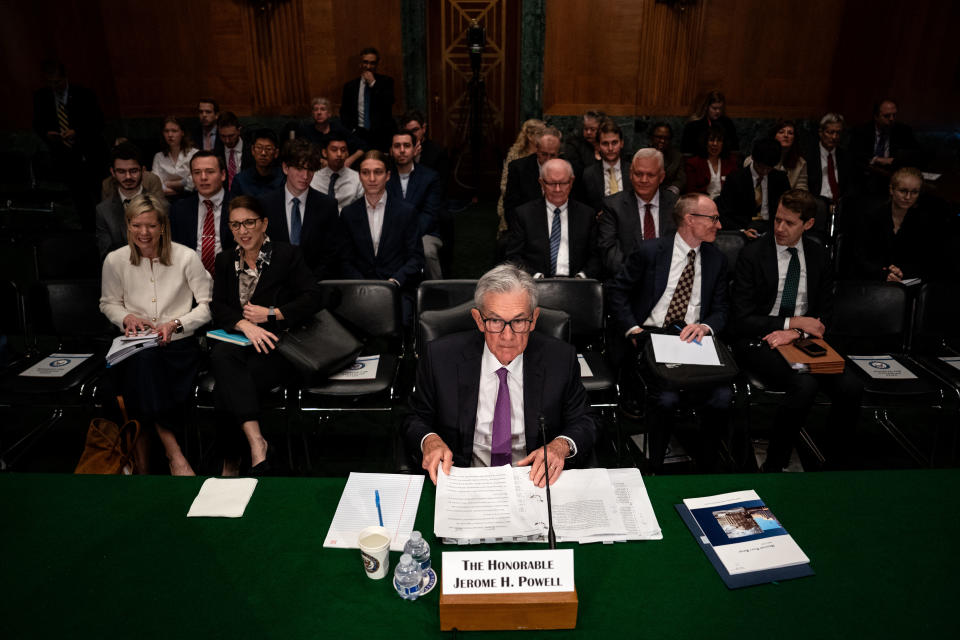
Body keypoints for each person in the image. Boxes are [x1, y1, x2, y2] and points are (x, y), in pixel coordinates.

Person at [403, 264, 597, 486]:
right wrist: (429, 440)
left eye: (519, 321)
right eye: (495, 321)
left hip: (534, 481)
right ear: (478, 320)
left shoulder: (560, 359)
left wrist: (561, 445)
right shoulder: (440, 358)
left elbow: (585, 420)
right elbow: (414, 418)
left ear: (533, 319)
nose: (508, 335)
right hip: (464, 479)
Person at [731, 189, 862, 471]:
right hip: (761, 339)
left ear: (808, 224)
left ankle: (836, 465)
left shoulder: (818, 255)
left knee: (851, 387)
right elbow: (741, 319)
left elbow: (826, 311)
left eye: (789, 223)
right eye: (777, 219)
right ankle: (775, 464)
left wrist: (797, 331)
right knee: (805, 384)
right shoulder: (752, 255)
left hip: (804, 338)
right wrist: (791, 323)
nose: (779, 228)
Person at [605, 193, 731, 471]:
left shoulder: (716, 259)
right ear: (690, 219)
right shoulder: (651, 252)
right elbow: (617, 291)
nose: (718, 225)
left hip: (695, 340)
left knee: (723, 396)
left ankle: (707, 465)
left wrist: (706, 326)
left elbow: (722, 309)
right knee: (666, 398)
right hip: (651, 337)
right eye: (713, 218)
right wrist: (633, 329)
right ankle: (656, 466)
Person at [99, 193, 213, 476]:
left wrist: (176, 323)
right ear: (128, 226)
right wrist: (125, 316)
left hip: (178, 347)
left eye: (150, 225)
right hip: (134, 345)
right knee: (140, 363)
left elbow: (208, 307)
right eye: (136, 225)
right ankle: (174, 453)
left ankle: (142, 463)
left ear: (163, 226)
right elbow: (108, 302)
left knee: (140, 372)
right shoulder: (115, 260)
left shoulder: (186, 257)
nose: (144, 233)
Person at [210, 196, 322, 476]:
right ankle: (257, 444)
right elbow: (219, 306)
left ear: (264, 223)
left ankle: (230, 463)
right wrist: (242, 323)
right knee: (224, 358)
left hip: (277, 348)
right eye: (235, 225)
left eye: (249, 222)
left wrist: (271, 314)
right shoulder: (225, 260)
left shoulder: (287, 255)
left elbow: (314, 298)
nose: (243, 231)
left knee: (226, 383)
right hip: (240, 346)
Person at [339, 150, 424, 322]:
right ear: (359, 176)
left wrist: (396, 281)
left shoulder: (406, 212)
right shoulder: (348, 214)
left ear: (387, 176)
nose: (371, 178)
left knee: (402, 320)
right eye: (365, 172)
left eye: (377, 172)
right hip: (359, 289)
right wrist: (363, 286)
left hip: (397, 288)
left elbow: (416, 258)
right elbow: (343, 260)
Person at [32, 59, 106, 227]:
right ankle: (88, 232)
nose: (54, 86)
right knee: (79, 199)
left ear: (65, 78)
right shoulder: (41, 97)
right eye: (50, 82)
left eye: (57, 82)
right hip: (65, 157)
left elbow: (98, 122)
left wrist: (77, 132)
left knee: (99, 195)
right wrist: (47, 134)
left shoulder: (84, 94)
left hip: (90, 155)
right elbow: (37, 124)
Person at [505, 158, 600, 279]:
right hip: (535, 284)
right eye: (551, 183)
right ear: (541, 183)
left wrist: (582, 277)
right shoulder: (524, 214)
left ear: (571, 182)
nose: (557, 189)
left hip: (577, 284)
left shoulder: (587, 215)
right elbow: (513, 257)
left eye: (563, 183)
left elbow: (596, 256)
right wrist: (535, 276)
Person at [853, 167, 948, 283]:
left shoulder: (924, 221)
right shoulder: (871, 216)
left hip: (908, 282)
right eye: (903, 191)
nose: (908, 197)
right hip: (873, 281)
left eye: (914, 192)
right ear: (891, 190)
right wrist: (883, 273)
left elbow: (929, 261)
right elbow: (859, 258)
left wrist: (901, 272)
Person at [262, 139, 340, 278]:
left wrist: (309, 282)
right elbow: (261, 249)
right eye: (299, 169)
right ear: (285, 168)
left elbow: (331, 254)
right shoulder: (266, 204)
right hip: (275, 287)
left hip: (316, 287)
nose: (305, 176)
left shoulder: (327, 206)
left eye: (310, 170)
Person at [597, 148, 679, 277]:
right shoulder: (613, 206)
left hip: (668, 279)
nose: (643, 180)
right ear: (630, 174)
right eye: (638, 174)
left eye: (650, 175)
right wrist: (638, 277)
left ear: (661, 177)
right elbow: (609, 253)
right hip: (628, 282)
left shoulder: (676, 205)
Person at [386, 130, 444, 280]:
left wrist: (407, 235)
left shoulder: (430, 177)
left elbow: (429, 214)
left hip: (425, 233)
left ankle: (438, 296)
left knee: (427, 252)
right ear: (391, 151)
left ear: (414, 149)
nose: (402, 150)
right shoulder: (385, 176)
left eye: (406, 145)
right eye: (397, 146)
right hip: (390, 232)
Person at [170, 151, 233, 274]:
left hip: (230, 278)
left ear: (223, 175)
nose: (203, 177)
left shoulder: (239, 206)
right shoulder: (179, 209)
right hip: (190, 278)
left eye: (210, 171)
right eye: (197, 172)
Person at [717, 138, 790, 238]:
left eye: (768, 168)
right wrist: (742, 231)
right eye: (761, 167)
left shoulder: (780, 179)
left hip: (772, 227)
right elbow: (725, 213)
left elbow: (788, 208)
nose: (764, 171)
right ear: (753, 159)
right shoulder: (735, 179)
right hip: (745, 227)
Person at [96, 142, 158, 259]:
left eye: (133, 171)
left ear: (143, 171)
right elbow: (106, 254)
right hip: (119, 273)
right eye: (121, 171)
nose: (128, 177)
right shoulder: (103, 210)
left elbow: (165, 248)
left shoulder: (162, 206)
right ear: (112, 172)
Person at [502, 126, 563, 227]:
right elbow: (511, 209)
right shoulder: (519, 169)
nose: (548, 160)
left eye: (552, 155)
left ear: (559, 153)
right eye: (544, 154)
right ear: (537, 149)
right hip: (527, 228)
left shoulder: (570, 169)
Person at [340, 47, 395, 151]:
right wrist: (352, 130)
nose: (368, 66)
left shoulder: (386, 82)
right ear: (360, 63)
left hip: (381, 136)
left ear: (377, 64)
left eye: (372, 63)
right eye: (365, 62)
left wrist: (373, 83)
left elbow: (388, 103)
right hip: (358, 134)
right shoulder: (350, 86)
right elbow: (344, 111)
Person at [497, 119, 545, 237]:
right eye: (541, 134)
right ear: (529, 136)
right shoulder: (515, 154)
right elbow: (504, 184)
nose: (544, 137)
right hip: (519, 200)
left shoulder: (546, 152)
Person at [850, 99, 920, 172]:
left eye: (894, 115)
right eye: (887, 116)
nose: (891, 119)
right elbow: (854, 154)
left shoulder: (904, 131)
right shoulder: (862, 131)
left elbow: (916, 154)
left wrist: (896, 160)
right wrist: (876, 159)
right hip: (866, 173)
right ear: (876, 117)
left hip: (893, 173)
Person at [297, 97, 365, 168]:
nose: (319, 112)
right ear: (312, 114)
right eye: (316, 109)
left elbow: (363, 146)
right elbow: (301, 152)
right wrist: (320, 161)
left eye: (323, 109)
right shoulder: (306, 131)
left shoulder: (338, 128)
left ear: (329, 113)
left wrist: (349, 160)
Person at [580, 119, 630, 212]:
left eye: (614, 143)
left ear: (621, 143)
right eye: (605, 143)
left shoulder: (632, 171)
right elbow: (584, 208)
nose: (610, 148)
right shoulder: (589, 174)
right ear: (598, 146)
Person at [745, 119, 808, 190]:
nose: (786, 135)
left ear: (794, 139)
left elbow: (802, 190)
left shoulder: (800, 163)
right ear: (773, 136)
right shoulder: (753, 160)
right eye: (781, 132)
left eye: (790, 133)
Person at [805, 113, 851, 207]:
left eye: (838, 133)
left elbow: (849, 186)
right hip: (816, 203)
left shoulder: (845, 156)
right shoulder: (809, 154)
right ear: (821, 132)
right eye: (830, 132)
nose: (834, 137)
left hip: (839, 204)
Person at [310, 132, 364, 212]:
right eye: (334, 150)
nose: (339, 154)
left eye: (343, 150)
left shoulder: (357, 179)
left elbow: (360, 209)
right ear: (324, 153)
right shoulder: (313, 178)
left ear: (347, 153)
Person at [400, 109, 449, 193]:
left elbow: (440, 187)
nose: (412, 135)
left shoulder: (437, 152)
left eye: (415, 130)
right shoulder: (400, 151)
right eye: (407, 132)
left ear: (424, 128)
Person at [680, 90, 740, 158]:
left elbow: (734, 149)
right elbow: (686, 152)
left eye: (720, 108)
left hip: (722, 161)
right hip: (699, 160)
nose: (718, 111)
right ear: (706, 107)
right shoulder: (693, 125)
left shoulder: (727, 123)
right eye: (714, 108)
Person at [229, 128, 285, 199]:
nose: (263, 153)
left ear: (276, 153)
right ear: (252, 150)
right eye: (259, 148)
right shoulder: (240, 180)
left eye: (268, 149)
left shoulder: (284, 179)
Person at [151, 116, 197, 198]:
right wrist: (181, 185)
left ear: (182, 133)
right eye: (166, 131)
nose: (170, 135)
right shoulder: (158, 157)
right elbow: (156, 184)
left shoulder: (194, 154)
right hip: (165, 199)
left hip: (190, 197)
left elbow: (194, 181)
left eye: (174, 131)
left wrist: (169, 184)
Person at [684, 128, 736, 199]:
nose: (715, 144)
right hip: (702, 203)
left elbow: (735, 188)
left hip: (726, 203)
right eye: (711, 140)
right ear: (705, 142)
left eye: (719, 141)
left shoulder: (731, 162)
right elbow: (691, 192)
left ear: (723, 144)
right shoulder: (694, 163)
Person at [563, 110, 605, 182]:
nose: (588, 132)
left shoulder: (607, 144)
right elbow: (577, 172)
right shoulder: (574, 145)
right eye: (586, 129)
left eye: (592, 129)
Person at [217, 112, 251, 193]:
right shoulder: (216, 152)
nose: (227, 141)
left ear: (239, 130)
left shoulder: (251, 149)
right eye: (223, 136)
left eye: (231, 136)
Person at [648, 123, 685, 195]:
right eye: (659, 137)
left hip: (669, 195)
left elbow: (680, 180)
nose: (662, 141)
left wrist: (671, 192)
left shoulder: (677, 157)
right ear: (651, 138)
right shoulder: (642, 155)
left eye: (666, 138)